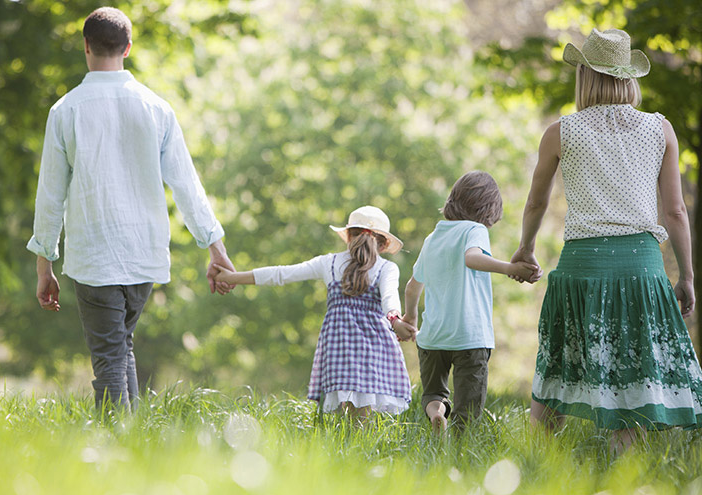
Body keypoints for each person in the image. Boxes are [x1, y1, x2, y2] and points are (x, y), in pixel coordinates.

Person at [27, 7, 235, 408]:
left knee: (109, 357)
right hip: (143, 252)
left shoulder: (65, 110)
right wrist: (215, 247)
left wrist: (44, 265)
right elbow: (186, 183)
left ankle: (113, 442)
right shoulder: (157, 108)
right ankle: (135, 438)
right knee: (121, 348)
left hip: (94, 253)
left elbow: (50, 195)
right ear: (128, 48)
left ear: (86, 46)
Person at [510, 28, 702, 452]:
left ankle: (538, 462)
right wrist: (686, 276)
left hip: (581, 266)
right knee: (633, 370)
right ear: (628, 76)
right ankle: (623, 468)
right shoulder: (660, 129)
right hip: (641, 266)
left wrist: (525, 248)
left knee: (558, 365)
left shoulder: (560, 132)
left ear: (584, 76)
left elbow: (536, 202)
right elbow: (675, 212)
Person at [214, 206, 414, 420]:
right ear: (383, 245)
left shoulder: (328, 263)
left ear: (348, 236)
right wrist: (395, 321)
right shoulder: (386, 268)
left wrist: (232, 277)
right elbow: (389, 299)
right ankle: (360, 441)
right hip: (373, 346)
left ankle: (346, 441)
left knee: (344, 412)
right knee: (363, 412)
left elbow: (281, 274)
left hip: (339, 345)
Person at [402, 171, 538, 433]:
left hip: (433, 337)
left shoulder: (433, 237)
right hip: (469, 336)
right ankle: (460, 448)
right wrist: (510, 268)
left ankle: (437, 414)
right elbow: (472, 258)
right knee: (469, 406)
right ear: (489, 208)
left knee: (432, 393)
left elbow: (412, 287)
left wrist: (410, 317)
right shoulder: (474, 229)